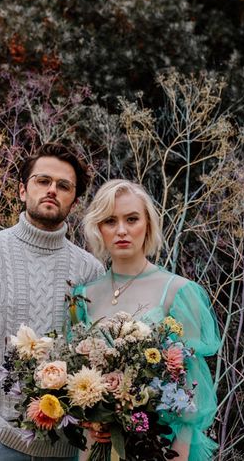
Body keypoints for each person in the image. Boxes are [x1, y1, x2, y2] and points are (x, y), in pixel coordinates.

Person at [0, 143, 105, 461]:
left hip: (67, 448)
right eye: (43, 181)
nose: (52, 190)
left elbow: (96, 356)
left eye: (63, 186)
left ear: (75, 200)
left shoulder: (90, 270)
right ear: (21, 190)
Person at [70, 179, 221, 461]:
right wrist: (92, 421)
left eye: (132, 219)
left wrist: (172, 450)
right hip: (94, 447)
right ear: (99, 229)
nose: (122, 230)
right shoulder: (83, 295)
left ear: (148, 225)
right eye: (110, 221)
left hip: (155, 448)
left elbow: (190, 391)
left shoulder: (179, 292)